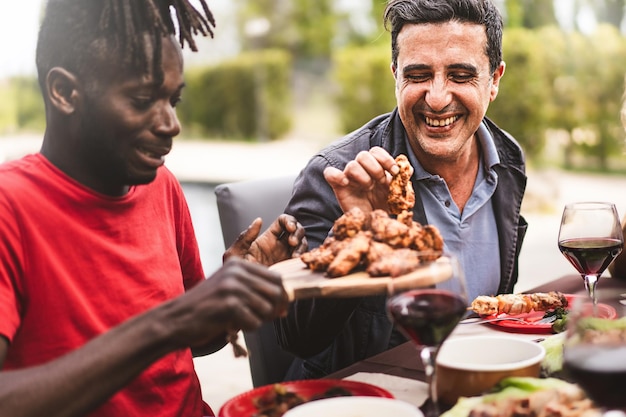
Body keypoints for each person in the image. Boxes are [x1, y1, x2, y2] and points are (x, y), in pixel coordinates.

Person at [0, 1, 306, 416]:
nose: (170, 124)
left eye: (172, 100)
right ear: (65, 92)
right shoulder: (10, 207)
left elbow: (195, 341)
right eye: (143, 99)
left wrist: (231, 289)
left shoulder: (160, 185)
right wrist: (171, 320)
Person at [275, 0, 527, 380]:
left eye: (460, 75)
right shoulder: (336, 175)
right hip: (365, 398)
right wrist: (358, 229)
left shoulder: (508, 159)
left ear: (494, 81)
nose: (438, 98)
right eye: (418, 75)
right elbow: (297, 338)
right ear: (395, 77)